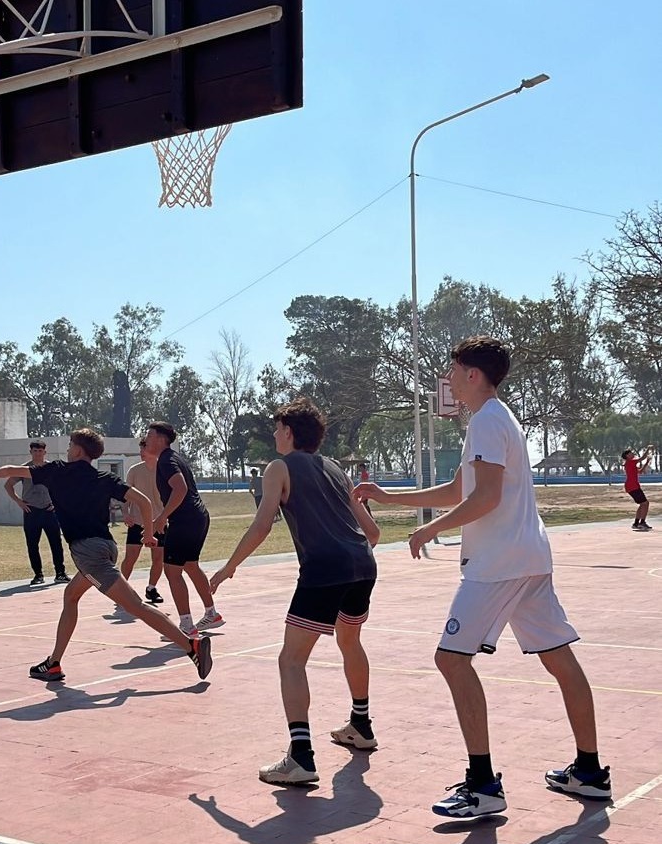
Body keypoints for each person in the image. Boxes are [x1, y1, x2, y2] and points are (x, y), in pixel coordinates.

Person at [356, 336, 611, 818]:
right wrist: (389, 499)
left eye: (453, 370)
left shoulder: (490, 420)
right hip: (527, 559)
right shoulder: (494, 420)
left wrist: (429, 528)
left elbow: (486, 497)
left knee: (451, 660)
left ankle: (483, 785)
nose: (448, 380)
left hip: (499, 566)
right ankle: (590, 771)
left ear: (472, 374)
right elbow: (460, 488)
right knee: (560, 660)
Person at [210, 398, 380, 785]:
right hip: (362, 566)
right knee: (349, 642)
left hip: (324, 569)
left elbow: (262, 524)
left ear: (288, 431)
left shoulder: (279, 468)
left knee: (291, 660)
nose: (273, 435)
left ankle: (301, 756)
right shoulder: (337, 470)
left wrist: (229, 566)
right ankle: (361, 725)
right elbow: (373, 534)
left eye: (276, 428)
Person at [0, 428, 212, 681]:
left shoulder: (56, 470)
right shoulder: (103, 478)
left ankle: (192, 646)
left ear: (78, 450)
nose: (68, 449)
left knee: (135, 605)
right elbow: (144, 502)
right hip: (106, 548)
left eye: (70, 445)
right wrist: (147, 534)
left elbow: (14, 470)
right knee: (71, 596)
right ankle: (54, 662)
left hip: (88, 553)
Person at [142, 421, 224, 638]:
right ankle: (211, 613)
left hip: (185, 520)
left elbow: (180, 488)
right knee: (190, 565)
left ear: (161, 439)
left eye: (149, 435)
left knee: (171, 570)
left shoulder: (167, 461)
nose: (146, 439)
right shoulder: (174, 458)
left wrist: (162, 517)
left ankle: (186, 624)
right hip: (198, 517)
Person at [5, 440, 70, 586]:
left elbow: (63, 487)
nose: (38, 453)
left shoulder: (51, 468)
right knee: (32, 544)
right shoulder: (24, 469)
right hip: (31, 510)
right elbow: (8, 485)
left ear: (45, 452)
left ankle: (60, 573)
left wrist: (56, 503)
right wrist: (19, 501)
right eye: (35, 451)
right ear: (31, 452)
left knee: (56, 543)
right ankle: (38, 574)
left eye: (40, 451)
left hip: (49, 510)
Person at [120, 439, 166, 604]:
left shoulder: (165, 470)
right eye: (140, 449)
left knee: (158, 557)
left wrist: (166, 517)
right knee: (131, 557)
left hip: (159, 522)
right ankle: (121, 589)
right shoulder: (134, 470)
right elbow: (125, 495)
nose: (141, 452)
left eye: (144, 448)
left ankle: (151, 589)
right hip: (137, 522)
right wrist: (126, 513)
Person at [621, 445, 654, 531]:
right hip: (633, 486)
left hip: (632, 486)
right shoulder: (630, 461)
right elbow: (641, 458)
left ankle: (636, 523)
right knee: (645, 503)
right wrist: (648, 449)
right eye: (630, 453)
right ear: (627, 456)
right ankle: (642, 523)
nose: (632, 453)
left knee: (643, 504)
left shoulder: (631, 464)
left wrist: (647, 462)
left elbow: (640, 471)